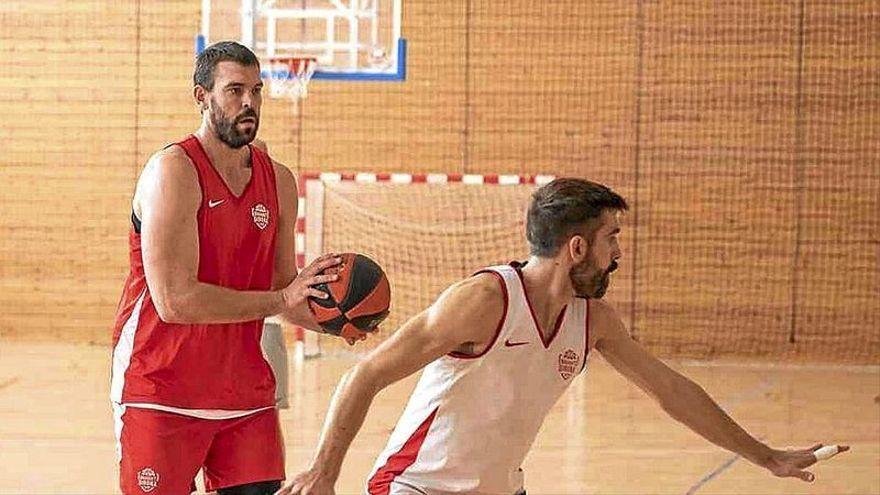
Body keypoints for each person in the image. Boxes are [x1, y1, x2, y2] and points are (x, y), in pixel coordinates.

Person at [277, 178, 848, 495]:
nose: (619, 253)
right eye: (611, 239)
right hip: (419, 487)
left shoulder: (592, 320)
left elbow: (672, 393)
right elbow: (366, 373)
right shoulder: (483, 301)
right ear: (578, 248)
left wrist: (766, 456)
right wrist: (324, 472)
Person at [110, 41, 348, 495]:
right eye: (235, 90)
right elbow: (175, 301)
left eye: (257, 91)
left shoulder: (278, 180)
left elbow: (282, 290)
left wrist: (338, 320)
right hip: (160, 389)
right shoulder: (173, 172)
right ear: (202, 96)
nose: (249, 102)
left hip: (244, 395)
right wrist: (281, 299)